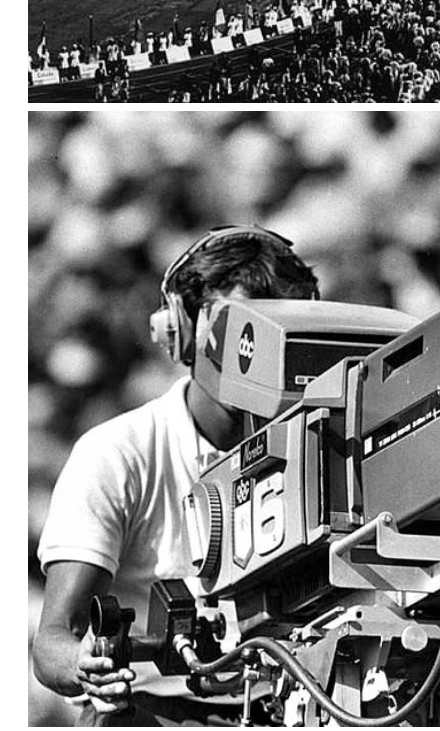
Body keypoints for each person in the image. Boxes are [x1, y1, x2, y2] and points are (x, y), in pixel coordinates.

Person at [33, 226, 320, 724]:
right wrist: (87, 667)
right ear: (182, 332)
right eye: (240, 328)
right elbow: (54, 639)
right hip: (146, 711)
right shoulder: (118, 452)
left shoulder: (323, 445)